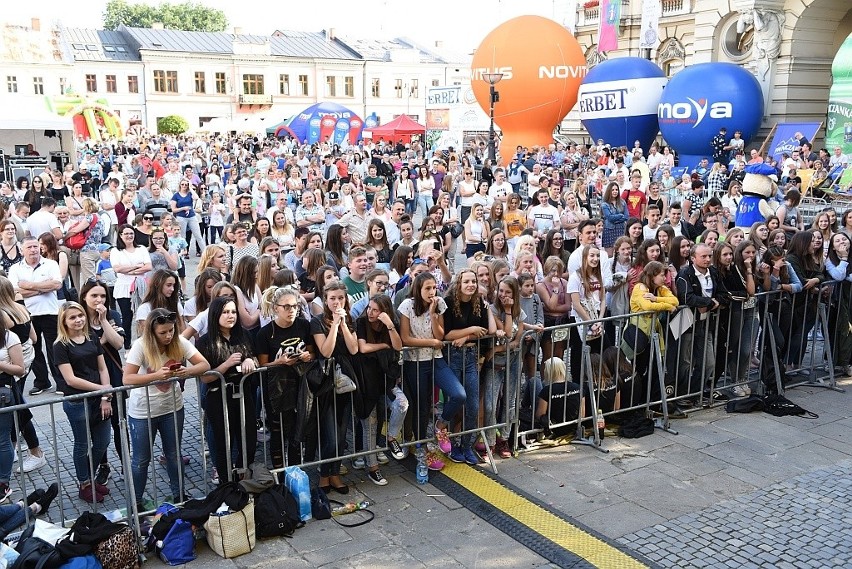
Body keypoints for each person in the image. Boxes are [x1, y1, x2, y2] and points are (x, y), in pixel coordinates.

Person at [123, 309, 209, 507]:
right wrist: (155, 376)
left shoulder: (179, 341)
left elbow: (204, 364)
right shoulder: (140, 345)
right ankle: (135, 503)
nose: (168, 335)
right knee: (141, 460)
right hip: (143, 412)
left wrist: (186, 371)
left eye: (171, 330)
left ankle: (179, 496)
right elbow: (127, 378)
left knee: (174, 454)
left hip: (173, 408)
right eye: (163, 333)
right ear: (152, 332)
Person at [53, 302, 113, 503]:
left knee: (103, 441)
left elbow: (103, 369)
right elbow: (70, 379)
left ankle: (89, 476)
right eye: (72, 317)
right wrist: (102, 389)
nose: (78, 319)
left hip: (99, 399)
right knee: (82, 444)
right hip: (77, 401)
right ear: (64, 321)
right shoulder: (60, 346)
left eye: (80, 315)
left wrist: (106, 396)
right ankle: (85, 483)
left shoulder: (92, 337)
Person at [398, 272, 456, 471]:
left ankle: (440, 426)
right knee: (421, 409)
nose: (432, 292)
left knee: (458, 394)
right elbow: (405, 338)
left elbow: (441, 334)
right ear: (418, 289)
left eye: (434, 288)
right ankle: (423, 451)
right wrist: (431, 342)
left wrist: (433, 314)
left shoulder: (438, 304)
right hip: (415, 361)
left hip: (436, 359)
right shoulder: (407, 306)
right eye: (427, 288)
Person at [196, 296, 258, 483]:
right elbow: (205, 376)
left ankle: (243, 476)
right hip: (218, 397)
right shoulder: (205, 342)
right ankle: (226, 482)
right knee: (223, 442)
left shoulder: (244, 335)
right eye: (225, 312)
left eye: (233, 312)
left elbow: (255, 358)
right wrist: (226, 364)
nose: (230, 316)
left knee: (249, 439)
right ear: (216, 315)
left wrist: (250, 360)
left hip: (243, 394)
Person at [256, 286, 316, 468]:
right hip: (277, 390)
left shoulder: (304, 325)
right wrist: (279, 362)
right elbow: (262, 365)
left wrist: (307, 356)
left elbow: (313, 353)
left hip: (300, 386)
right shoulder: (265, 333)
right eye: (287, 307)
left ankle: (295, 469)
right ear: (276, 308)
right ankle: (279, 472)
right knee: (278, 431)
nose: (292, 311)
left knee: (298, 430)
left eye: (295, 306)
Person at [443, 269, 496, 465]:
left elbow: (488, 331)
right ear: (459, 283)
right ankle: (452, 443)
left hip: (472, 355)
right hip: (454, 356)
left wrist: (467, 335)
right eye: (467, 281)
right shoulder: (448, 303)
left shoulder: (478, 303)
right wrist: (471, 330)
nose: (471, 285)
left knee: (473, 405)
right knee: (456, 401)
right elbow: (446, 335)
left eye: (473, 281)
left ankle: (467, 445)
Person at [311, 281, 358, 494]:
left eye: (340, 298)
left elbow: (354, 349)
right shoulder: (317, 322)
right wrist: (335, 326)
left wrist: (345, 324)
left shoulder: (351, 319)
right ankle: (324, 475)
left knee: (340, 435)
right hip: (325, 383)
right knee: (329, 436)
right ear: (325, 300)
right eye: (333, 298)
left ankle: (335, 473)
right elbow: (326, 351)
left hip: (345, 381)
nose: (337, 302)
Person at [356, 294, 406, 485]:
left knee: (402, 404)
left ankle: (391, 437)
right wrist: (384, 345)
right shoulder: (361, 323)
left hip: (387, 381)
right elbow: (363, 347)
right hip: (367, 382)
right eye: (369, 308)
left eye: (376, 310)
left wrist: (390, 326)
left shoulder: (390, 324)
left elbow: (398, 346)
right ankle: (372, 467)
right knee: (371, 423)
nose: (371, 312)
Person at [8, 237, 61, 396]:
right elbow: (14, 292)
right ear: (22, 249)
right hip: (27, 315)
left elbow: (57, 285)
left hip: (50, 312)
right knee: (34, 349)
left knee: (55, 349)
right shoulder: (15, 268)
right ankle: (42, 382)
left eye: (35, 246)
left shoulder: (51, 264)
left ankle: (60, 382)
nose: (33, 250)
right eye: (29, 247)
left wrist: (29, 285)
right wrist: (43, 287)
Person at [483, 276, 525, 458]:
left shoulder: (519, 312)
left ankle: (504, 439)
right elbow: (508, 334)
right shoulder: (492, 310)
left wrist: (497, 348)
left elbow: (516, 341)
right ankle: (490, 441)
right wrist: (507, 311)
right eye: (501, 291)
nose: (503, 295)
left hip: (513, 359)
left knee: (510, 402)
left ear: (515, 294)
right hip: (495, 364)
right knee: (491, 404)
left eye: (508, 292)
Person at [111, 225, 152, 350]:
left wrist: (128, 270)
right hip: (124, 287)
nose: (129, 236)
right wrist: (136, 268)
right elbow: (117, 268)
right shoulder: (116, 251)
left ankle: (144, 342)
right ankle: (127, 344)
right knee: (127, 316)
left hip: (141, 285)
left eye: (131, 233)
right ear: (121, 235)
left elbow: (148, 266)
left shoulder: (141, 249)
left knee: (143, 315)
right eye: (126, 234)